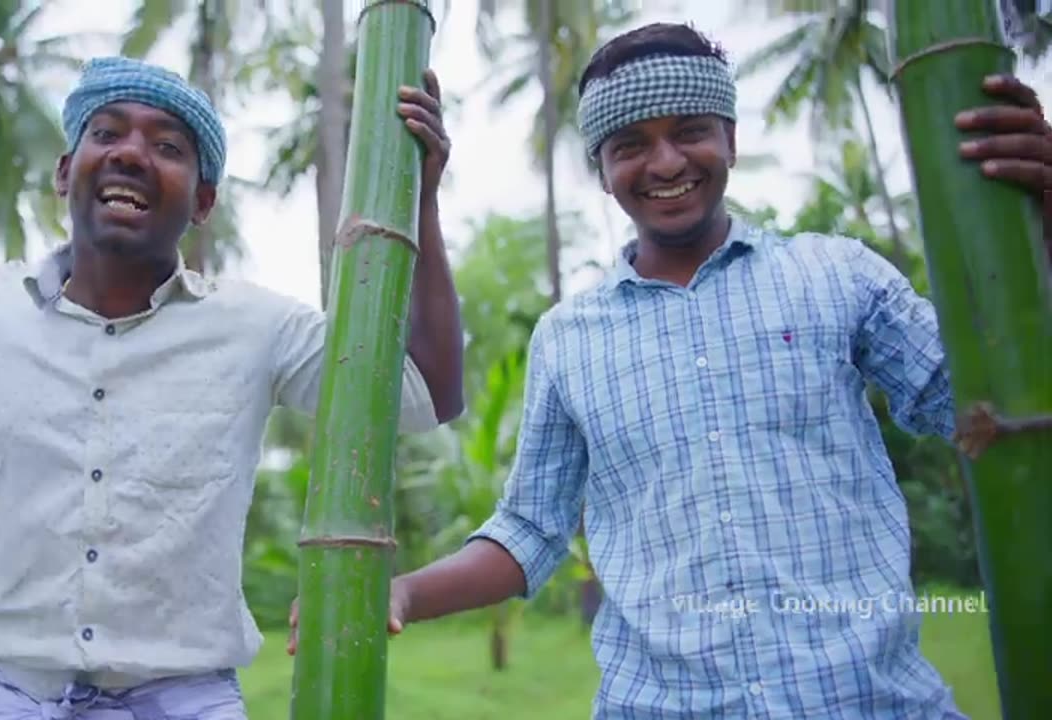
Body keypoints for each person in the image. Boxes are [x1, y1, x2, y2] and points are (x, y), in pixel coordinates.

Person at [287, 22, 1052, 719]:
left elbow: (983, 403)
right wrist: (400, 592)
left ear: (731, 139)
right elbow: (529, 530)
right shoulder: (568, 338)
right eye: (629, 146)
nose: (665, 163)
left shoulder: (839, 276)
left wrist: (1041, 216)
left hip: (870, 702)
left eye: (691, 133)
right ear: (601, 169)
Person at [0, 56, 463, 719]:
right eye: (106, 134)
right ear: (66, 171)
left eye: (167, 146)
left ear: (203, 201)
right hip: (15, 699)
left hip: (186, 702)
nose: (131, 153)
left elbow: (426, 395)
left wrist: (421, 198)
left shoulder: (257, 328)